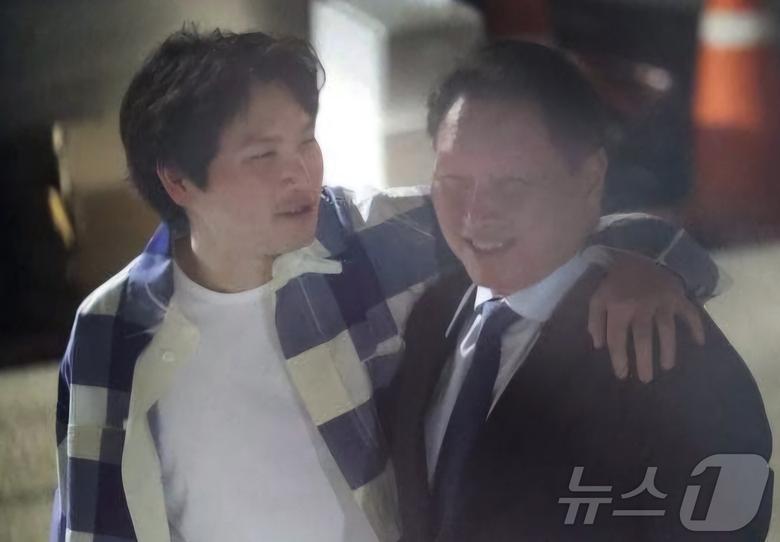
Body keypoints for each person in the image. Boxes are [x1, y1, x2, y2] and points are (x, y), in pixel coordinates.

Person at [51, 29, 722, 542]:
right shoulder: (112, 328)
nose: (301, 172)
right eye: (263, 155)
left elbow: (550, 217)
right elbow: (89, 522)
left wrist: (641, 262)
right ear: (178, 181)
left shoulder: (371, 238)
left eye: (306, 141)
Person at [391, 40, 772, 542]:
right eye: (454, 182)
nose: (474, 214)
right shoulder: (432, 315)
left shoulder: (667, 351)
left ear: (590, 177)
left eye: (512, 185)